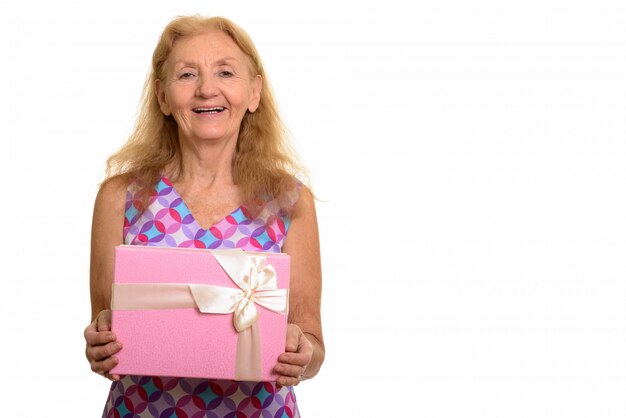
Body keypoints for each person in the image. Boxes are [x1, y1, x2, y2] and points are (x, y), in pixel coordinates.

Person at [83, 15, 324, 417]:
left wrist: (304, 352)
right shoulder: (120, 197)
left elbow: (314, 343)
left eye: (225, 72)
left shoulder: (289, 201)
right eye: (187, 74)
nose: (207, 89)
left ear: (253, 93)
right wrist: (99, 344)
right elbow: (103, 328)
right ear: (162, 96)